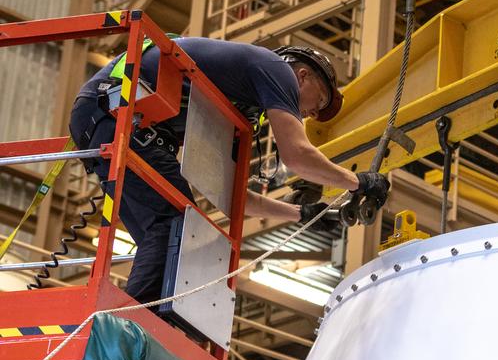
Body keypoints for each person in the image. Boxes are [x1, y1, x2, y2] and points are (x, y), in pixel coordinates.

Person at [68, 38, 389, 305]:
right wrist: (356, 182)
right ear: (302, 76)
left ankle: (139, 320)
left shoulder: (236, 106)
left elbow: (234, 197)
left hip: (112, 121)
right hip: (116, 112)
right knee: (173, 228)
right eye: (317, 102)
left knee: (169, 241)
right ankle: (131, 324)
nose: (310, 113)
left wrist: (301, 213)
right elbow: (296, 155)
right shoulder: (277, 70)